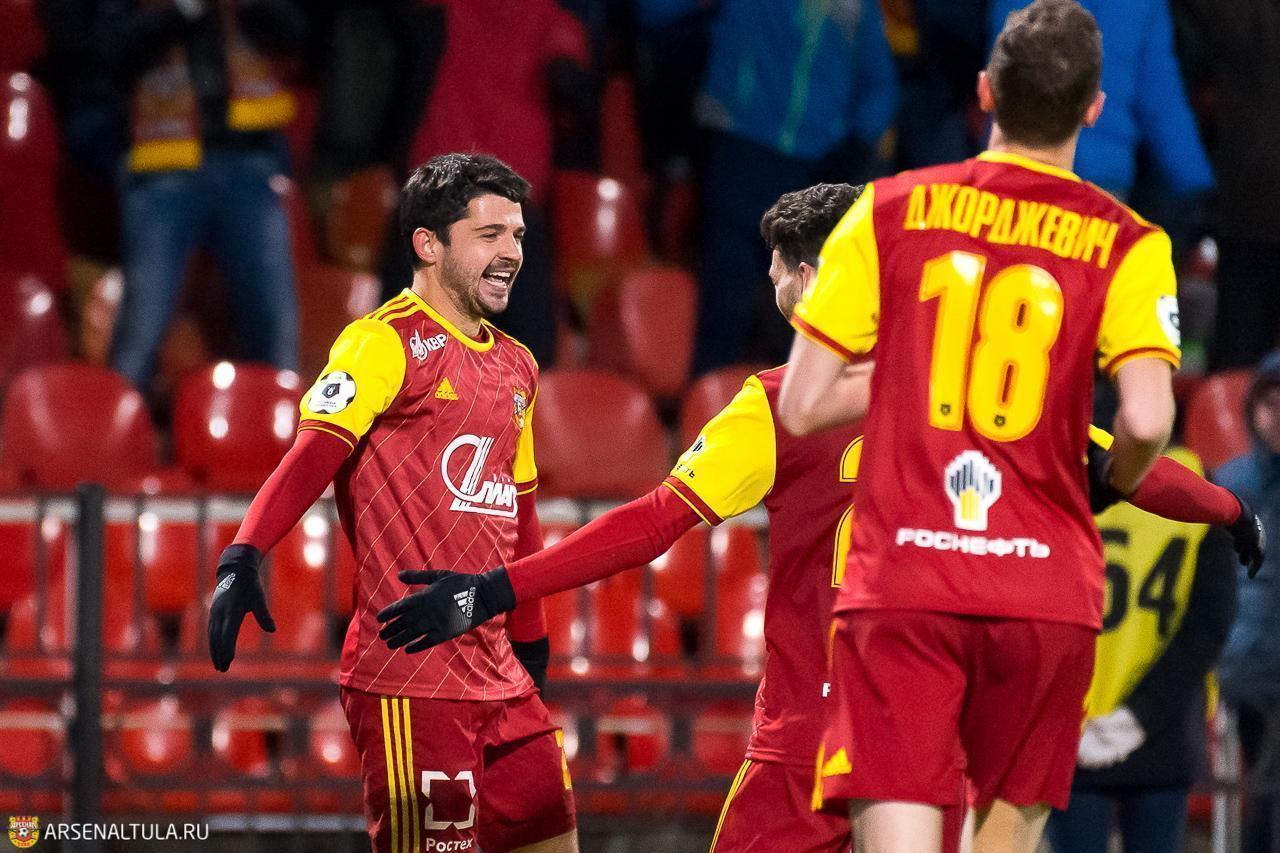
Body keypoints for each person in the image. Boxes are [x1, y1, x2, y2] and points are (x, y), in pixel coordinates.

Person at [370, 182, 1262, 852]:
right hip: (925, 747)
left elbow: (648, 525)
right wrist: (1229, 510)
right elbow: (1130, 469)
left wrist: (493, 588)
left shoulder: (775, 406)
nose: (768, 284)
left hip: (806, 750)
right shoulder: (970, 385)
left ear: (809, 281)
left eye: (775, 269)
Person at [777, 0, 1181, 850]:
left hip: (906, 582)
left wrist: (914, 366)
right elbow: (1148, 416)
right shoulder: (1129, 243)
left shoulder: (887, 209)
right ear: (1094, 109)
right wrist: (1116, 481)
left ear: (985, 91)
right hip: (1045, 592)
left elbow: (803, 405)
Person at [206, 153, 577, 853]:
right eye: (490, 234)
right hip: (413, 674)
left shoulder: (519, 364)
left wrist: (532, 640)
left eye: (518, 235)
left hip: (501, 676)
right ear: (428, 244)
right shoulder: (382, 341)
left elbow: (519, 515)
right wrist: (243, 553)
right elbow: (314, 454)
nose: (512, 252)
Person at [634, 0, 899, 373]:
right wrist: (857, 141)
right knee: (736, 304)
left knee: (784, 315)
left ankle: (752, 401)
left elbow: (880, 84)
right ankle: (715, 401)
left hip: (795, 164)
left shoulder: (857, 6)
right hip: (749, 151)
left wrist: (856, 143)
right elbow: (657, 13)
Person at [98, 0, 303, 391]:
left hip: (248, 165)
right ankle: (114, 427)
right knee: (141, 331)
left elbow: (295, 35)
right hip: (163, 169)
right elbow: (110, 55)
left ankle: (283, 428)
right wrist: (182, 10)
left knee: (275, 329)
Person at [1047, 445, 1238, 853]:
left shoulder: (1056, 466)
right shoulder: (1196, 481)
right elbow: (1210, 622)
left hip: (1094, 727)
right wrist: (1137, 717)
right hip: (1152, 726)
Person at [1216, 352, 1280, 853]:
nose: (1277, 418)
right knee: (1263, 793)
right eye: (1269, 405)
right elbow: (1214, 584)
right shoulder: (1230, 483)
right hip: (1247, 669)